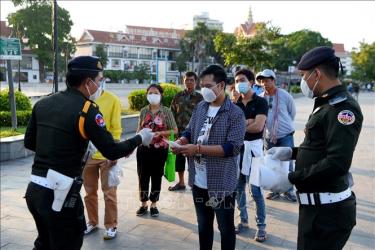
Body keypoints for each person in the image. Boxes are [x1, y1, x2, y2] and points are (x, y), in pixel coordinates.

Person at [23, 56, 154, 250]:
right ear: (88, 82)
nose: (100, 86)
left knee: (44, 243)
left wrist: (66, 147)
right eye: (99, 80)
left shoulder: (44, 103)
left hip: (34, 191)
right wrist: (140, 138)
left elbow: (29, 142)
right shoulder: (87, 110)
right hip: (61, 194)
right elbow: (112, 150)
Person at [268, 46, 363, 250]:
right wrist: (291, 153)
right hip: (316, 209)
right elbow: (318, 147)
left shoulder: (343, 109)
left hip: (328, 214)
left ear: (316, 74)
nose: (303, 81)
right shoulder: (326, 103)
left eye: (303, 75)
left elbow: (337, 163)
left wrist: (291, 178)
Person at [172, 65, 246, 250]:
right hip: (199, 182)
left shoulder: (235, 113)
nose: (203, 89)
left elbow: (233, 148)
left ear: (221, 85)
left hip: (221, 184)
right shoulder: (201, 107)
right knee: (204, 226)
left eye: (208, 85)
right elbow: (190, 130)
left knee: (225, 228)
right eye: (201, 85)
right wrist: (181, 141)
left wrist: (197, 149)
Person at [82, 82, 122, 239]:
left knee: (109, 193)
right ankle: (92, 221)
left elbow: (116, 128)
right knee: (89, 192)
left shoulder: (112, 100)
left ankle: (111, 225)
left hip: (106, 155)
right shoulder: (82, 99)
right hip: (88, 156)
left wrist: (114, 153)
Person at [233, 69, 268, 242]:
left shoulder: (261, 102)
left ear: (251, 82)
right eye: (237, 80)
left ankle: (261, 226)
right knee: (239, 187)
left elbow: (258, 127)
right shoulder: (235, 104)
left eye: (243, 79)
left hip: (254, 151)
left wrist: (243, 126)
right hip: (238, 150)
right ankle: (243, 221)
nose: (239, 82)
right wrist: (248, 123)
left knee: (255, 190)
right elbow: (232, 128)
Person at [136, 84, 178, 217]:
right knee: (142, 176)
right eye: (150, 93)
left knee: (156, 176)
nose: (152, 95)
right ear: (147, 95)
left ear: (161, 95)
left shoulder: (166, 111)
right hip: (143, 149)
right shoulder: (144, 111)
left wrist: (160, 133)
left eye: (155, 93)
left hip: (160, 150)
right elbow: (138, 130)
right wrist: (132, 145)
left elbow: (175, 130)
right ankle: (143, 203)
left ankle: (154, 203)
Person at [256, 69, 297, 202]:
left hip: (285, 135)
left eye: (268, 80)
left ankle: (289, 190)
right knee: (272, 165)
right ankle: (275, 190)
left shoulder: (285, 95)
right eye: (262, 81)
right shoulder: (261, 98)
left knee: (287, 165)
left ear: (274, 81)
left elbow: (292, 113)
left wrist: (282, 126)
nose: (265, 83)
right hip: (269, 137)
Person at [169, 72, 203, 191]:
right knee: (179, 160)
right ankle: (181, 182)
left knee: (193, 160)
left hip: (193, 135)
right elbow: (171, 113)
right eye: (187, 80)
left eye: (191, 80)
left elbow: (203, 116)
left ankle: (195, 183)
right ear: (183, 81)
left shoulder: (200, 98)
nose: (189, 82)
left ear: (196, 82)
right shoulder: (178, 96)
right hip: (179, 134)